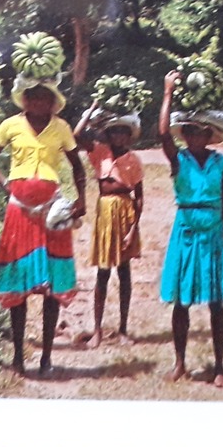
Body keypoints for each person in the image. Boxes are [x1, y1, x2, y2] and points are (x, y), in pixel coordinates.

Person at [0, 78, 87, 377]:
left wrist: (82, 199)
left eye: (44, 98)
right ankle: (17, 357)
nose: (39, 102)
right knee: (20, 285)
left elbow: (77, 167)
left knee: (51, 286)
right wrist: (5, 184)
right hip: (20, 211)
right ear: (24, 100)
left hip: (51, 211)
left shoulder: (61, 128)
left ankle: (47, 358)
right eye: (33, 97)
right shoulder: (10, 125)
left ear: (53, 102)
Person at [157, 70, 223, 388]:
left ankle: (219, 366)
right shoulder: (179, 161)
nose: (195, 137)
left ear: (210, 135)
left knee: (216, 301)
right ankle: (180, 362)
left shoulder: (221, 163)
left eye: (201, 132)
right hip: (186, 230)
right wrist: (168, 92)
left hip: (215, 230)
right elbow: (163, 133)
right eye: (189, 131)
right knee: (182, 301)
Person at [75, 103, 145, 347]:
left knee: (124, 271)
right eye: (114, 132)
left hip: (125, 213)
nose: (119, 137)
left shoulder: (133, 160)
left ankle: (123, 329)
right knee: (103, 272)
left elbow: (139, 196)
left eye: (123, 132)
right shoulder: (100, 153)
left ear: (129, 135)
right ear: (108, 134)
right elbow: (76, 136)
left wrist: (133, 228)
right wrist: (91, 110)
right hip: (105, 211)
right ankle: (97, 330)